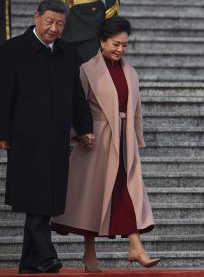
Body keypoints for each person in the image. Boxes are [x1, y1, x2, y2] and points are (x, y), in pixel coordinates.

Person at [0, 0, 94, 274]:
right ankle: (47, 255)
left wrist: (84, 127)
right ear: (36, 17)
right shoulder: (12, 50)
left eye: (60, 23)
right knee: (35, 194)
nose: (54, 28)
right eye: (49, 21)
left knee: (46, 197)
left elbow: (77, 95)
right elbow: (2, 95)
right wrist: (1, 132)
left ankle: (28, 263)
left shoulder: (68, 53)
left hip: (56, 137)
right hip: (24, 137)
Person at [51, 16, 158, 271]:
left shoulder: (130, 72)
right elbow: (78, 105)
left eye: (124, 45)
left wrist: (137, 137)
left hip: (125, 142)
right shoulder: (87, 69)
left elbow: (136, 109)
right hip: (96, 141)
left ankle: (135, 246)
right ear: (101, 41)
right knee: (93, 197)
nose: (120, 49)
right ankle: (90, 255)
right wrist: (80, 132)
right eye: (115, 44)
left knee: (126, 191)